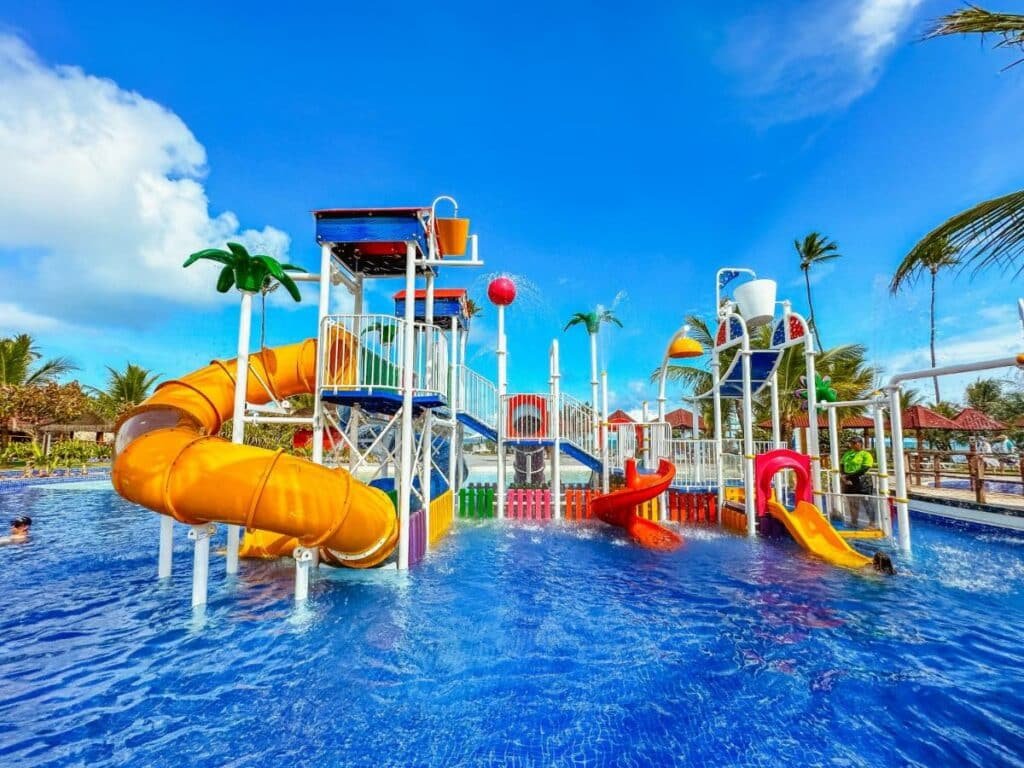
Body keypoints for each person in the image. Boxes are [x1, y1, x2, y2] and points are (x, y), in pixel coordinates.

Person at [840, 436, 874, 526]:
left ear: (860, 444)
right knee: (852, 502)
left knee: (866, 502)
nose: (852, 445)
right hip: (849, 481)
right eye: (851, 443)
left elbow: (864, 469)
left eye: (854, 443)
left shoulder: (866, 454)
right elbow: (842, 465)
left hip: (862, 481)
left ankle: (872, 523)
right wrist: (844, 477)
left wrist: (849, 476)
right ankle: (854, 522)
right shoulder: (847, 454)